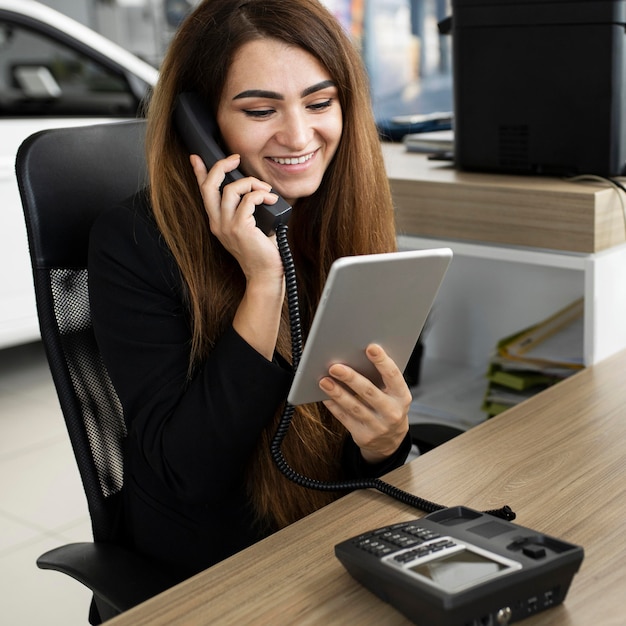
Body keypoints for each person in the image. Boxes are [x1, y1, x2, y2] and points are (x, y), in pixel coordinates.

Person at [88, 0, 412, 584]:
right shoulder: (132, 242)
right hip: (213, 569)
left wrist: (384, 442)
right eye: (261, 109)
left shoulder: (342, 215)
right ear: (201, 123)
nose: (298, 134)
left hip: (333, 539)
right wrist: (264, 283)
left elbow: (350, 437)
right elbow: (191, 474)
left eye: (320, 103)